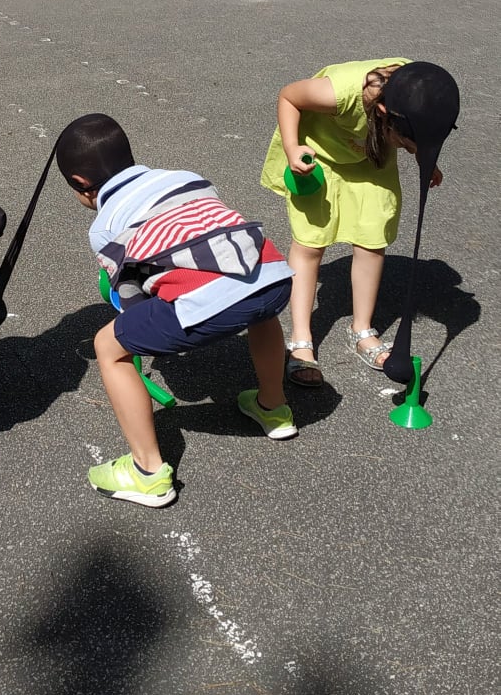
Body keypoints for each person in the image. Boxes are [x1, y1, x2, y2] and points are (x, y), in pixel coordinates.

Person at [56, 113, 297, 509]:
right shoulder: (186, 176)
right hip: (273, 277)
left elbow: (134, 301)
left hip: (211, 299)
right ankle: (273, 406)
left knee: (108, 346)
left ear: (82, 186)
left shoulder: (104, 225)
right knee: (256, 306)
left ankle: (147, 472)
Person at [260, 59, 443, 388]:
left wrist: (426, 159)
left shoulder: (424, 94)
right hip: (318, 157)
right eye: (406, 143)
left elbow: (422, 131)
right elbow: (288, 96)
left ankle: (362, 330)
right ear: (386, 113)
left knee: (373, 239)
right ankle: (301, 340)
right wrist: (291, 148)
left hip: (371, 159)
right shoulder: (341, 92)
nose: (409, 148)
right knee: (311, 242)